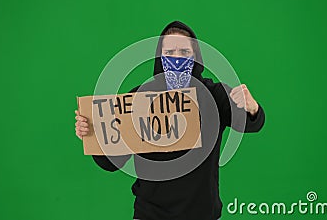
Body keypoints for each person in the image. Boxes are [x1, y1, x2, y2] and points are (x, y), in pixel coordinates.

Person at [75, 21, 265, 220]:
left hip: (202, 214)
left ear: (196, 57)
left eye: (184, 52)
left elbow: (252, 123)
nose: (177, 59)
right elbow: (113, 161)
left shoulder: (214, 95)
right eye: (170, 52)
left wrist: (252, 108)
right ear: (160, 57)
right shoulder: (139, 99)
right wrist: (93, 134)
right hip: (150, 214)